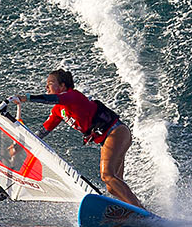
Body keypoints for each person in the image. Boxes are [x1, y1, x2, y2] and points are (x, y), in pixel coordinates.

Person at [9, 70, 142, 207]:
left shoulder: (73, 96)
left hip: (116, 132)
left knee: (107, 176)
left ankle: (142, 212)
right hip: (107, 138)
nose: (46, 87)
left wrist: (27, 98)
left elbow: (52, 99)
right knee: (112, 186)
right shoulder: (58, 110)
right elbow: (43, 131)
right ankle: (133, 210)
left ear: (62, 86)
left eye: (50, 84)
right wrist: (20, 146)